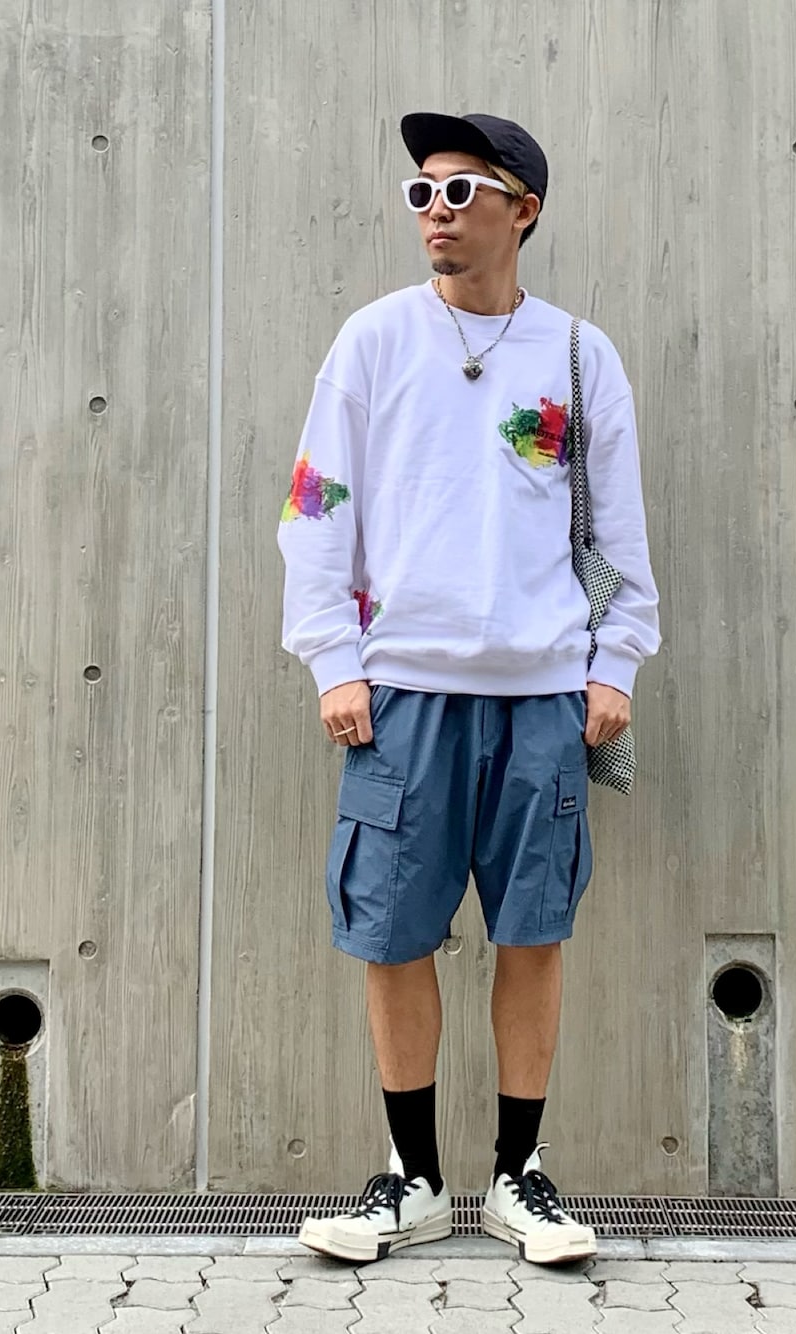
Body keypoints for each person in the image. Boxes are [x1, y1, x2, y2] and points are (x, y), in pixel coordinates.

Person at [277, 111, 661, 1265]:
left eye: (460, 190)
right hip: (400, 691)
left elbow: (621, 530)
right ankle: (413, 1180)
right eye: (421, 192)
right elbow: (316, 503)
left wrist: (614, 662)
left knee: (532, 932)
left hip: (544, 694)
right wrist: (333, 658)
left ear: (521, 210)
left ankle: (516, 1177)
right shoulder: (373, 340)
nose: (435, 211)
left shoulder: (579, 355)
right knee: (392, 932)